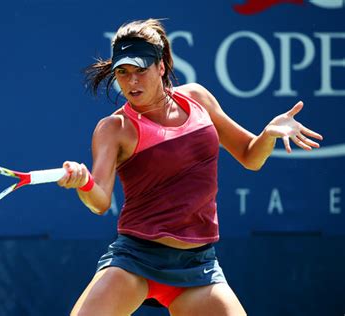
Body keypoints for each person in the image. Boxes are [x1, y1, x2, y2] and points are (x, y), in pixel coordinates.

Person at [57, 19, 323, 315]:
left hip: (199, 268)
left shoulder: (198, 99)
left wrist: (268, 134)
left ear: (161, 66)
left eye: (140, 70)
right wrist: (84, 183)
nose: (132, 82)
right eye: (123, 72)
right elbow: (100, 201)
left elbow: (251, 156)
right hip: (136, 261)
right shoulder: (114, 128)